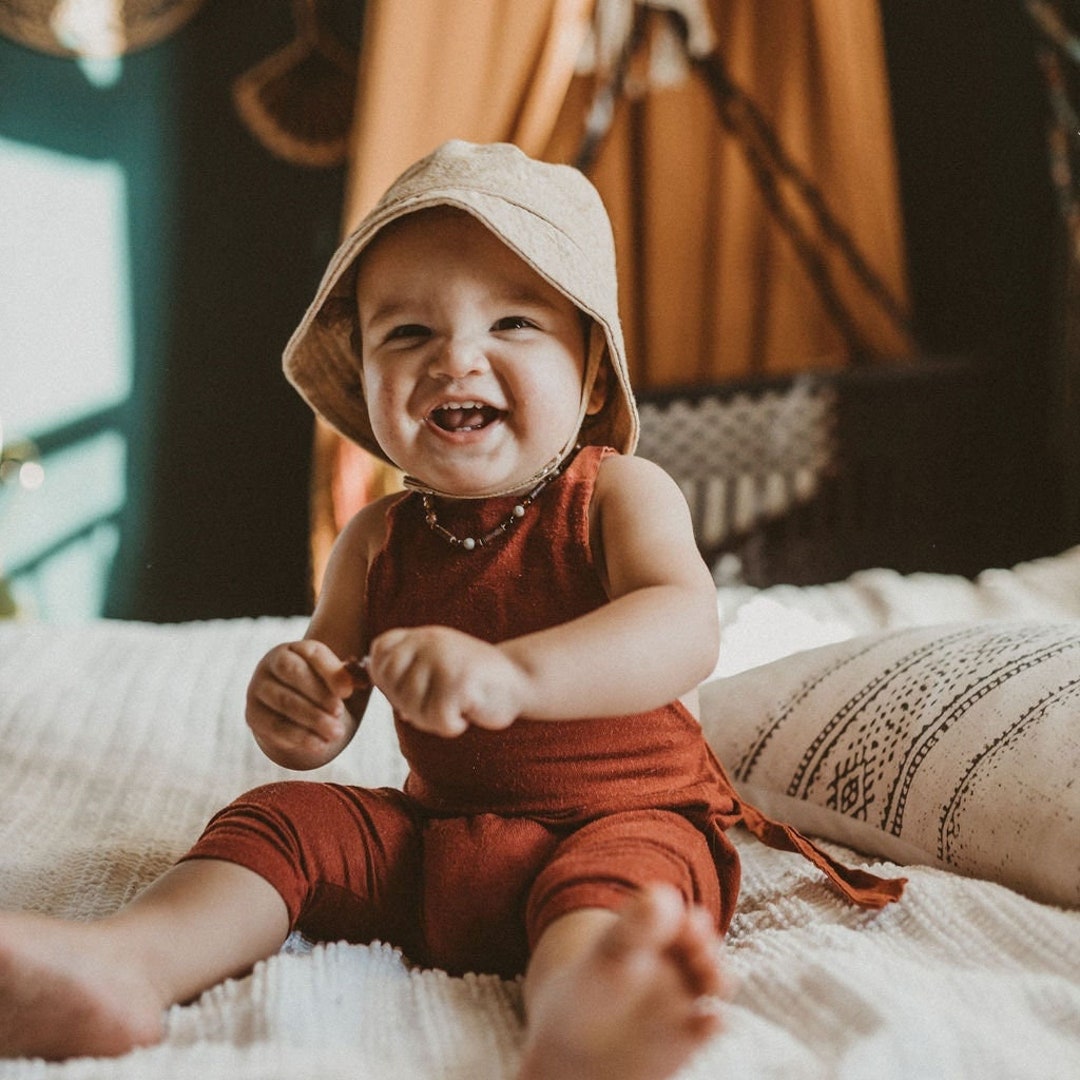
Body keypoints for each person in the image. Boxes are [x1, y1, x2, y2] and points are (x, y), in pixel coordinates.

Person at [0, 141, 901, 1078]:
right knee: (283, 818)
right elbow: (329, 712)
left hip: (621, 818)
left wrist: (515, 675)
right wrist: (297, 706)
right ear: (366, 381)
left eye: (513, 321)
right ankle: (124, 966)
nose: (456, 358)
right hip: (439, 841)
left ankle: (582, 1021)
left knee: (620, 897)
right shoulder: (378, 538)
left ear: (591, 375)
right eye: (407, 335)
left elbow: (684, 627)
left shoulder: (618, 494)